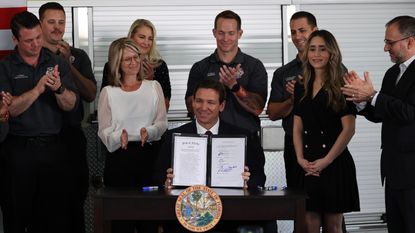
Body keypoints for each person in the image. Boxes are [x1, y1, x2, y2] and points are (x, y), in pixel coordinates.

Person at [156, 79, 273, 233]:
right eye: (199, 101)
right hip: (187, 211)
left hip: (230, 211)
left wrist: (247, 182)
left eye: (210, 102)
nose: (203, 107)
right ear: (193, 103)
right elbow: (156, 176)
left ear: (221, 106)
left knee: (268, 219)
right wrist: (166, 181)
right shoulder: (172, 137)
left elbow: (259, 178)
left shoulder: (244, 137)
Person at [0, 11, 78, 233]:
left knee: (54, 217)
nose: (35, 44)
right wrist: (38, 88)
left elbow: (70, 104)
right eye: (28, 40)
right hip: (18, 150)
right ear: (15, 40)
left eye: (38, 38)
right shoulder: (5, 68)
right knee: (16, 214)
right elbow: (9, 110)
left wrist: (59, 89)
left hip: (53, 148)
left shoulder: (56, 63)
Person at [341, 15, 415, 233]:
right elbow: (383, 113)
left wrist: (372, 95)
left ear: (410, 41)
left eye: (389, 42)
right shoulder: (393, 73)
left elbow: (409, 113)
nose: (385, 48)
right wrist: (362, 101)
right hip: (393, 171)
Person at [97, 37, 167, 233]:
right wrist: (119, 137)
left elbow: (162, 123)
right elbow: (103, 130)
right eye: (127, 59)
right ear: (117, 62)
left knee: (149, 222)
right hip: (120, 160)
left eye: (136, 57)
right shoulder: (108, 92)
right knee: (121, 223)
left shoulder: (153, 87)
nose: (134, 62)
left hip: (149, 158)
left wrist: (150, 131)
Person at [293, 30, 360, 233]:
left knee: (333, 225)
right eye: (312, 49)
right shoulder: (301, 85)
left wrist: (327, 160)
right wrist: (299, 158)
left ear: (332, 52)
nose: (317, 54)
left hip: (334, 162)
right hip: (308, 163)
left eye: (322, 49)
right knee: (309, 222)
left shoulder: (343, 85)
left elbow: (349, 129)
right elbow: (297, 126)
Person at [38, 2, 97, 232]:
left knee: (75, 199)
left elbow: (91, 93)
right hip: (42, 139)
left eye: (61, 22)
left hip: (71, 136)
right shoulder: (33, 55)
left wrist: (67, 63)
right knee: (45, 204)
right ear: (40, 24)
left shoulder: (78, 56)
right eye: (51, 22)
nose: (57, 28)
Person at [185, 10, 267, 134]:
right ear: (214, 33)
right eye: (221, 33)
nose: (226, 38)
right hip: (209, 137)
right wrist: (216, 87)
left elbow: (257, 109)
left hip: (246, 137)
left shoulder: (254, 66)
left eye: (231, 33)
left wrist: (235, 87)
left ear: (240, 34)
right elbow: (191, 107)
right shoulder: (200, 67)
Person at [267, 11, 318, 189]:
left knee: (330, 206)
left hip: (326, 143)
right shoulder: (283, 73)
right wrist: (292, 100)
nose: (297, 36)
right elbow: (272, 113)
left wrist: (306, 97)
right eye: (293, 32)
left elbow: (341, 110)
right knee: (300, 203)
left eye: (302, 30)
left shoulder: (333, 68)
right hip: (294, 146)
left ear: (315, 31)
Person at [101, 19, 171, 110]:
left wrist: (150, 83)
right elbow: (107, 103)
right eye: (142, 37)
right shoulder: (112, 65)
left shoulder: (160, 66)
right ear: (131, 36)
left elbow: (164, 108)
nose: (146, 43)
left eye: (150, 38)